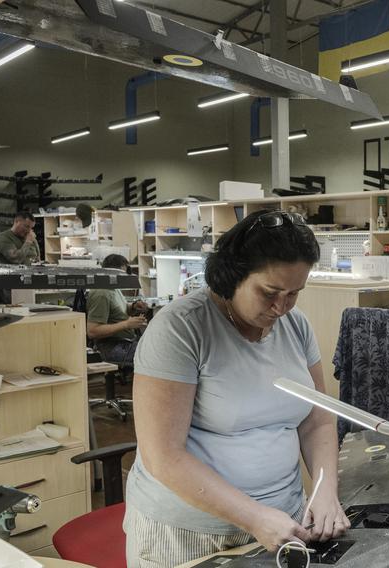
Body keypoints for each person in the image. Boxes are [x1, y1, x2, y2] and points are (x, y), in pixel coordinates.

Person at [124, 209, 349, 568]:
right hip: (191, 534)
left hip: (283, 523)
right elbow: (163, 457)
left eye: (294, 293)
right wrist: (254, 517)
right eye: (269, 292)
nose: (281, 307)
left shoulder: (296, 326)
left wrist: (324, 490)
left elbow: (317, 421)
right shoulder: (181, 330)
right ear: (232, 275)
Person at [86, 254, 147, 367]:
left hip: (124, 341)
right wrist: (126, 324)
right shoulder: (102, 293)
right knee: (155, 356)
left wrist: (133, 307)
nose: (124, 277)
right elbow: (92, 331)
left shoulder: (113, 287)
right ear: (112, 272)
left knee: (158, 349)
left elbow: (117, 311)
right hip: (110, 346)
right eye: (122, 273)